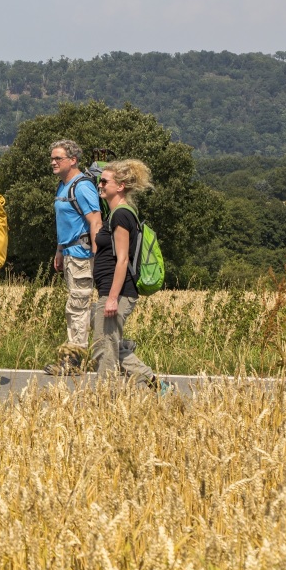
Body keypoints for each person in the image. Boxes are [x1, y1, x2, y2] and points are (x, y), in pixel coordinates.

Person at [91, 159, 170, 392]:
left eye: (104, 181)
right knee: (110, 344)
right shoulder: (116, 213)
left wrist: (113, 297)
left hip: (118, 291)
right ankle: (156, 384)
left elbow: (123, 259)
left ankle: (105, 398)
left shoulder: (121, 215)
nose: (100, 184)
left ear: (120, 186)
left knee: (103, 347)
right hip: (111, 290)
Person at [44, 139, 102, 376]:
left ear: (73, 160)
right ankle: (117, 346)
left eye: (58, 158)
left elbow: (95, 221)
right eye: (52, 158)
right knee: (80, 307)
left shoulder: (82, 186)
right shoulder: (63, 186)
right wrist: (59, 250)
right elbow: (65, 222)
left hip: (82, 256)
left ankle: (74, 362)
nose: (53, 162)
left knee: (77, 308)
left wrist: (99, 258)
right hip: (69, 254)